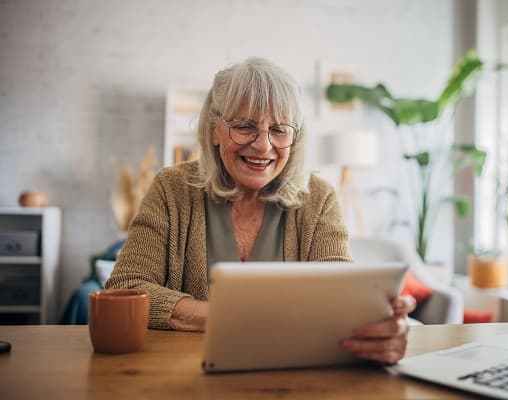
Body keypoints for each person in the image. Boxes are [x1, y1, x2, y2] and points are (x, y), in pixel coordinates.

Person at [105, 57, 415, 364]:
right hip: (183, 378)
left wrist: (379, 331)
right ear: (214, 129)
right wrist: (232, 318)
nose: (264, 146)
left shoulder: (318, 199)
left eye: (279, 130)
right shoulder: (171, 188)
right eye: (244, 126)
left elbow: (340, 301)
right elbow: (125, 288)